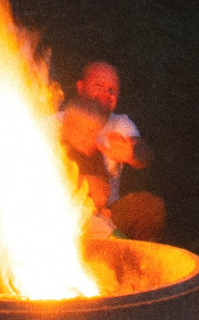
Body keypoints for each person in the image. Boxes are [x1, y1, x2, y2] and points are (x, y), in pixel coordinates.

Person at [61, 60, 164, 240]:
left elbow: (144, 152)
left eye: (112, 90)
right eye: (99, 85)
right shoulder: (54, 123)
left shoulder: (119, 124)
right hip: (61, 213)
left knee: (147, 206)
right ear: (81, 87)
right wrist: (77, 182)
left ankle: (139, 261)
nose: (106, 93)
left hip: (106, 211)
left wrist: (131, 153)